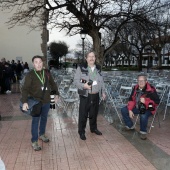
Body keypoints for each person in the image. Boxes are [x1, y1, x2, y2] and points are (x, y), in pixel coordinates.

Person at [21, 55, 59, 151]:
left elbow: (53, 84)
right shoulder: (30, 75)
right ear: (33, 64)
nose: (38, 64)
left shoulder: (47, 72)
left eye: (40, 62)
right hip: (36, 102)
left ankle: (41, 134)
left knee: (44, 118)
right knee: (35, 121)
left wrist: (56, 94)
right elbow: (25, 89)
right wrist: (25, 102)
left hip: (47, 101)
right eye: (36, 62)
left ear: (43, 63)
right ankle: (34, 141)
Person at [74, 51, 106, 140]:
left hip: (96, 95)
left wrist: (103, 92)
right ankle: (81, 132)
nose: (91, 58)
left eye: (93, 56)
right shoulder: (81, 68)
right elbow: (76, 80)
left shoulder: (98, 68)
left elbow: (101, 81)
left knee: (94, 113)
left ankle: (93, 128)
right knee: (83, 114)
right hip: (85, 95)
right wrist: (83, 85)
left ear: (95, 58)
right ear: (86, 58)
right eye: (89, 56)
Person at [121, 73, 160, 140]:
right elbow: (131, 99)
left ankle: (143, 132)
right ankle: (130, 126)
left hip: (149, 107)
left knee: (143, 114)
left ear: (146, 81)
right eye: (139, 80)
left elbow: (156, 102)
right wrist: (130, 109)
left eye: (142, 80)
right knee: (124, 110)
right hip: (137, 106)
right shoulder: (135, 88)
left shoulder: (151, 89)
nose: (141, 82)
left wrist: (146, 102)